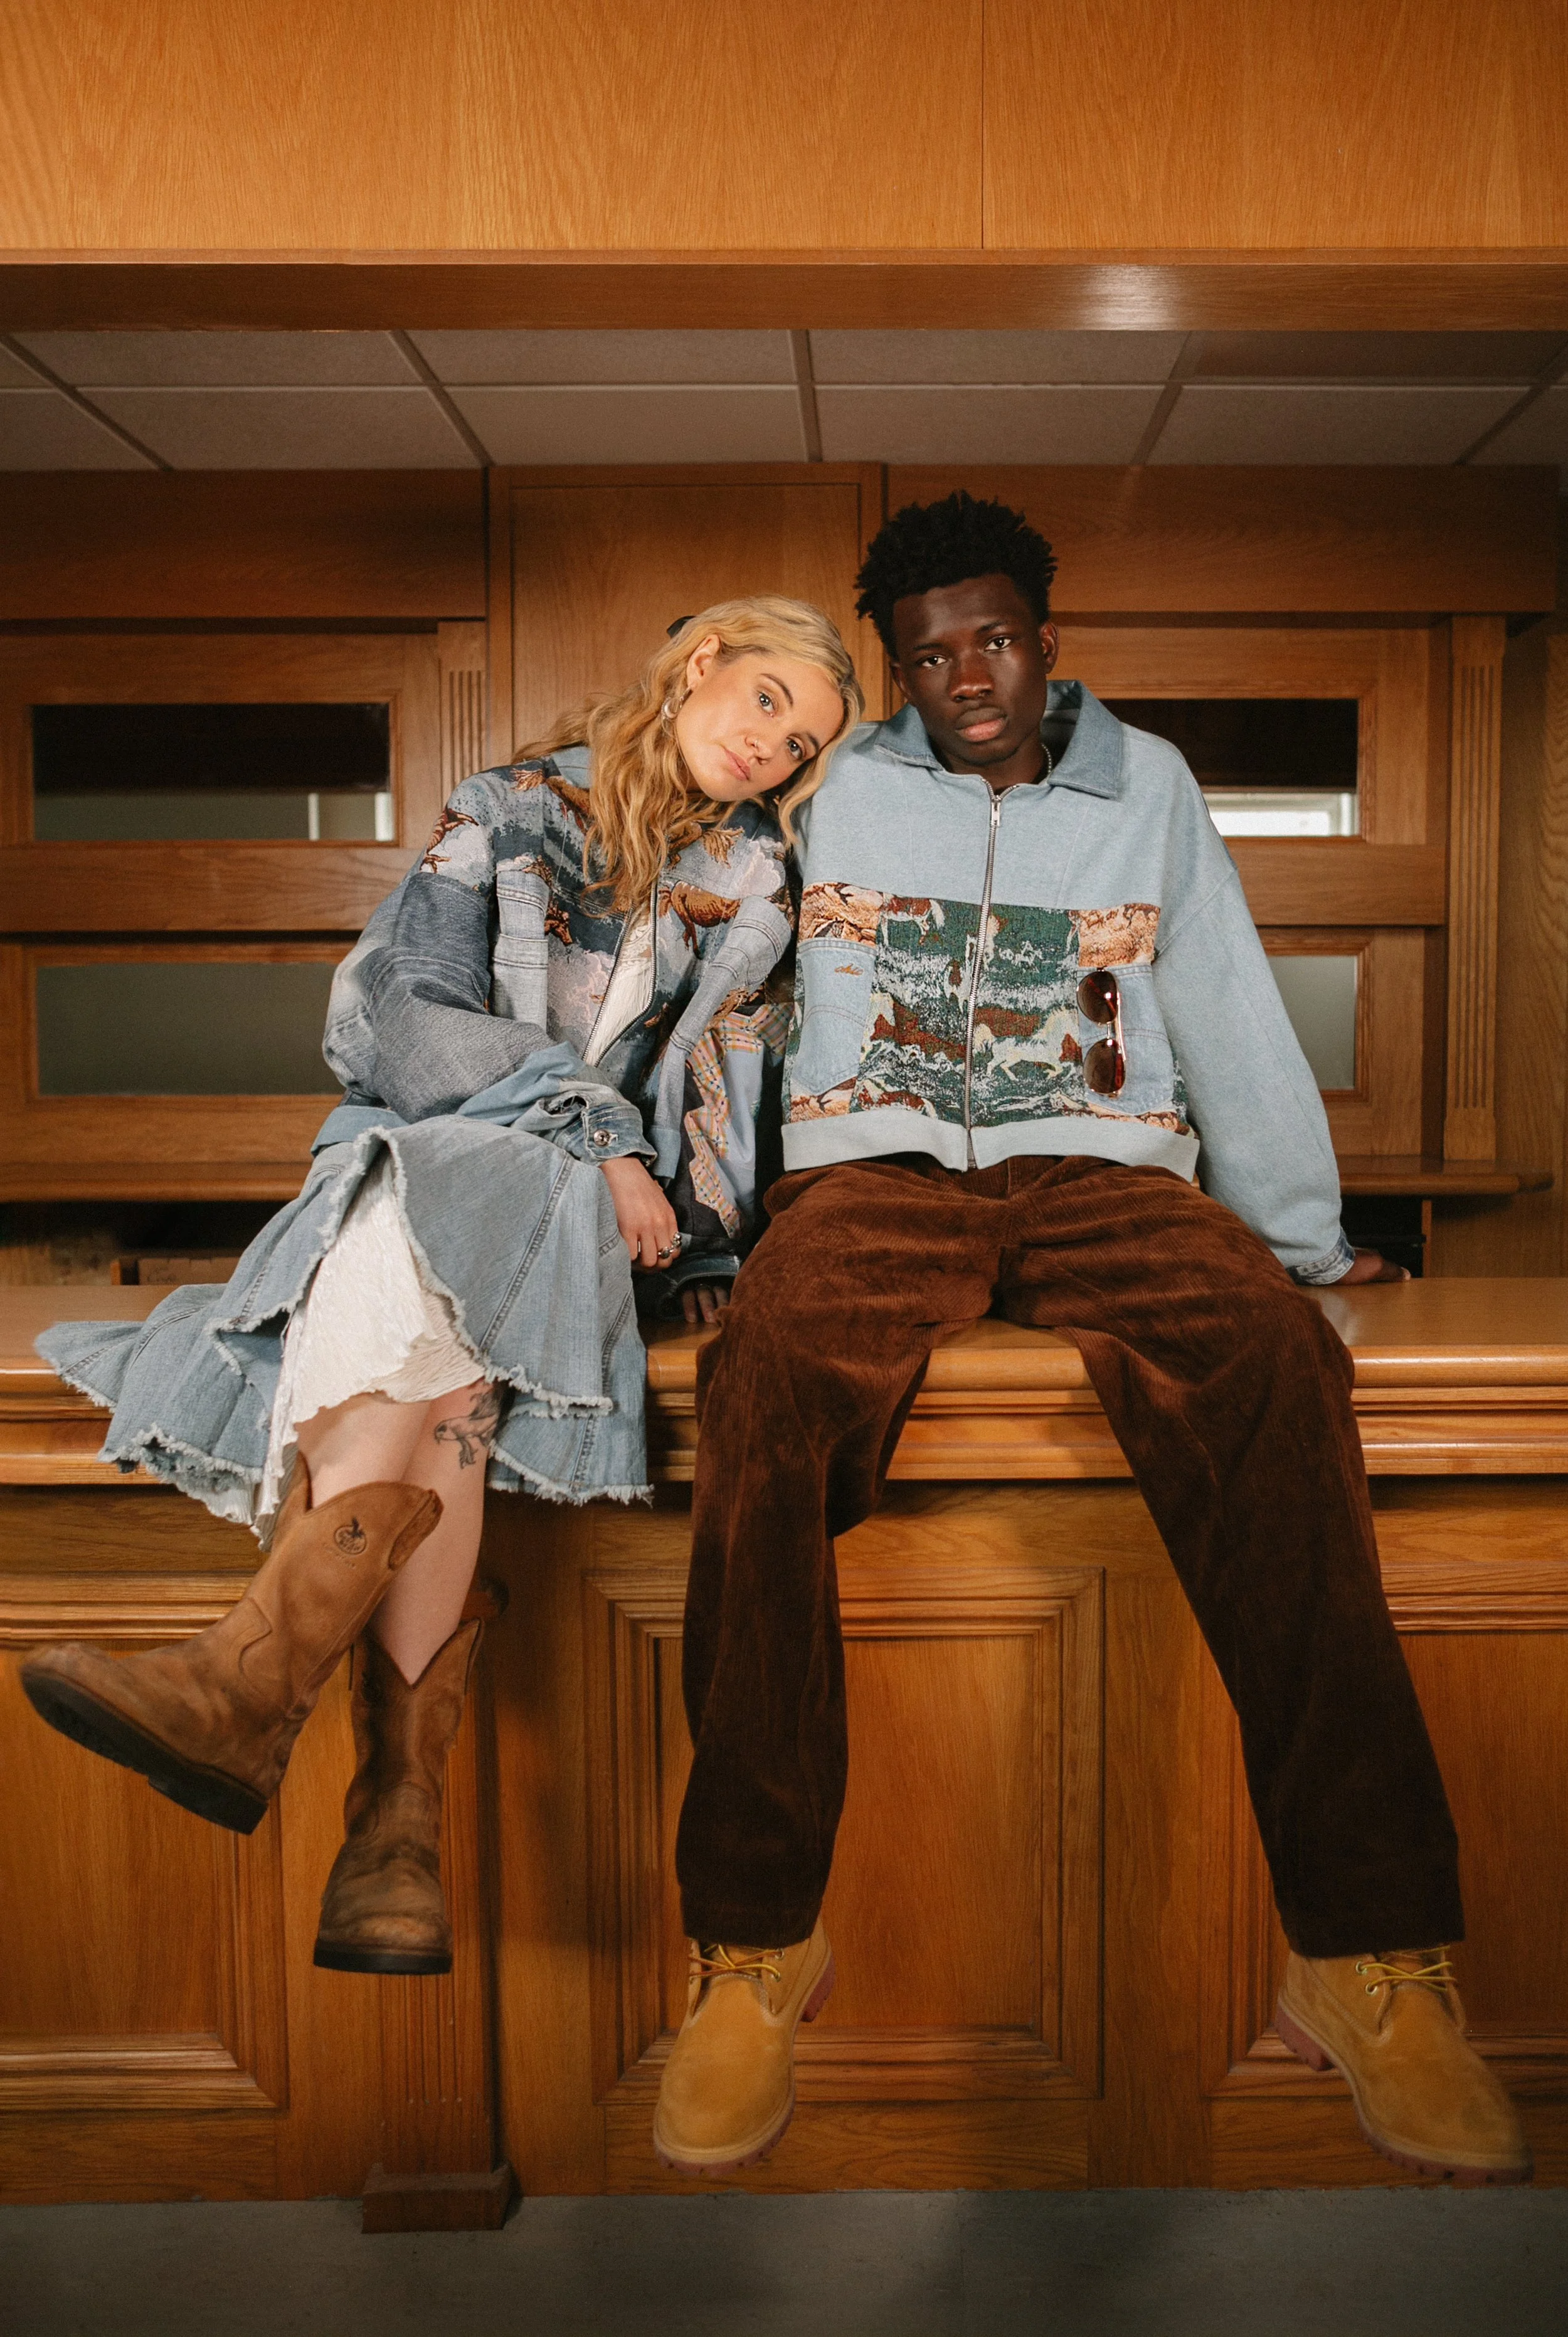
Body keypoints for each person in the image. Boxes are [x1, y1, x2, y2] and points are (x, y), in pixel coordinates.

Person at [652, 495, 1530, 2188]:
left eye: (988, 638)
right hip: (873, 1165)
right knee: (760, 1379)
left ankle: (1363, 1953)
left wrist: (1292, 1238)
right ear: (896, 670)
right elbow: (707, 967)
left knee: (1276, 1361)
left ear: (1046, 642)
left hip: (1100, 1162)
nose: (959, 675)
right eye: (924, 652)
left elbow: (1226, 1003)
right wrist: (672, 1208)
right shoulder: (837, 780)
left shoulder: (1152, 788)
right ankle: (754, 1937)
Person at [23, 596, 862, 1979]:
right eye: (766, 703)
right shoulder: (509, 811)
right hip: (429, 1162)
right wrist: (586, 1128)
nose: (774, 750)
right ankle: (391, 1820)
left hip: (602, 1223)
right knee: (463, 1272)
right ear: (702, 666)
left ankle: (259, 1687)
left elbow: (733, 1089)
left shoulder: (755, 879)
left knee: (485, 1234)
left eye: (805, 744)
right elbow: (407, 1020)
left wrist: (708, 1250)